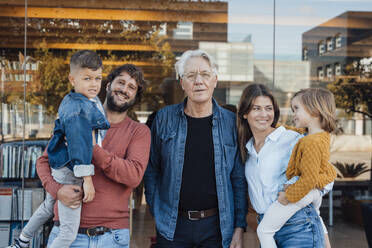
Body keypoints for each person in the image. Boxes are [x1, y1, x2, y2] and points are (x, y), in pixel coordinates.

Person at [36, 63, 150, 248]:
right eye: (120, 82)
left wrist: (92, 148)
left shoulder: (138, 131)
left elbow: (133, 175)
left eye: (131, 87)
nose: (124, 90)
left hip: (112, 237)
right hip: (67, 234)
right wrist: (56, 189)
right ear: (108, 85)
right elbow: (43, 161)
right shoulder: (77, 117)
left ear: (135, 96)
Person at [144, 49, 247, 248]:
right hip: (172, 226)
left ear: (215, 80)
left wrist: (239, 227)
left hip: (217, 227)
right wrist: (157, 211)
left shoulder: (230, 123)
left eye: (205, 75)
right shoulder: (164, 118)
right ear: (182, 83)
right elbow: (151, 170)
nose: (198, 81)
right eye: (191, 75)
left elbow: (238, 178)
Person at [8, 50, 110, 248]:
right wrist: (87, 179)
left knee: (48, 206)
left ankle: (22, 241)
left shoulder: (86, 100)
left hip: (61, 166)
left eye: (98, 78)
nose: (94, 84)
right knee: (68, 234)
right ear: (72, 79)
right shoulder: (77, 109)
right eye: (87, 78)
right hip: (71, 172)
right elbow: (80, 144)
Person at [237, 83, 325, 248]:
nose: (264, 114)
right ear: (244, 113)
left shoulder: (291, 139)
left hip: (299, 226)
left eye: (268, 108)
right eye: (256, 108)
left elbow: (325, 178)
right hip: (268, 227)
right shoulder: (246, 149)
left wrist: (299, 193)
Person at [256, 88, 337, 248]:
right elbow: (299, 132)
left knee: (264, 230)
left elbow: (309, 178)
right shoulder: (320, 136)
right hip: (312, 193)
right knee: (315, 217)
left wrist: (288, 195)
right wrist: (278, 126)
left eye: (296, 109)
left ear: (314, 110)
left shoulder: (310, 143)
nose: (293, 114)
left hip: (300, 193)